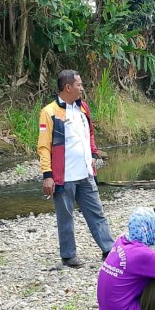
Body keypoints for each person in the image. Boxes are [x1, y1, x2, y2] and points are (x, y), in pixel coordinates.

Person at [37, 69, 114, 267]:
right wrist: (47, 175)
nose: (82, 88)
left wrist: (93, 154)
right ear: (68, 87)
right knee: (65, 217)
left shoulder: (83, 109)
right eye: (79, 85)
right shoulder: (49, 112)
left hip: (86, 173)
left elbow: (89, 134)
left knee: (97, 212)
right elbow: (44, 147)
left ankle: (109, 250)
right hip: (63, 176)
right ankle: (68, 255)